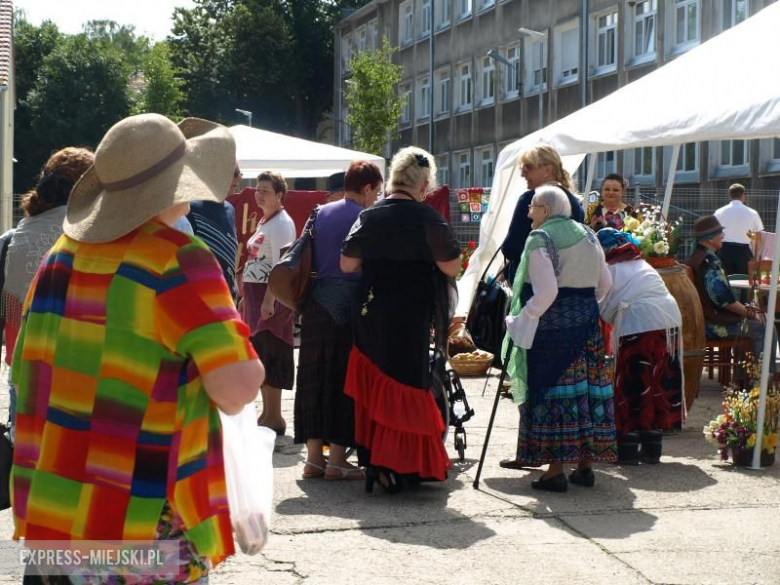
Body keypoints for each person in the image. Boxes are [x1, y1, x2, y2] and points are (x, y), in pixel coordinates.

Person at [11, 113, 264, 583]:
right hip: (140, 521)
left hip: (56, 516)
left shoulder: (60, 258)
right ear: (180, 183)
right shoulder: (177, 261)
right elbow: (236, 388)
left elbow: (25, 372)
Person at [341, 146, 460, 494]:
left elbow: (347, 264)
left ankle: (377, 464)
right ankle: (403, 466)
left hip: (371, 310)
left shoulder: (370, 215)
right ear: (423, 183)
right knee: (407, 384)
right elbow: (451, 266)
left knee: (378, 385)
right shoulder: (428, 219)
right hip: (410, 314)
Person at [503, 185, 616, 492]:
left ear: (546, 211)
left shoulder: (541, 238)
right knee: (588, 392)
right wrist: (584, 306)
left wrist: (524, 317)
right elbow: (605, 283)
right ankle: (584, 465)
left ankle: (555, 471)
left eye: (533, 207)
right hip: (588, 325)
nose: (528, 213)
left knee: (556, 393)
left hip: (553, 329)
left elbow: (547, 292)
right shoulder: (589, 234)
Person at [294, 161, 383, 481]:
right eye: (378, 189)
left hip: (315, 303)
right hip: (349, 307)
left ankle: (314, 459)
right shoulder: (367, 218)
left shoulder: (320, 212)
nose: (378, 196)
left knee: (314, 379)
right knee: (345, 380)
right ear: (368, 188)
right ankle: (338, 462)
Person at [1, 147, 94, 444]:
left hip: (25, 383)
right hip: (89, 386)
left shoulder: (9, 243)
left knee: (27, 477)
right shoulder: (105, 243)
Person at [596, 228, 684, 465]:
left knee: (633, 381)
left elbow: (600, 307)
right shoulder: (641, 264)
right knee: (658, 381)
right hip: (668, 321)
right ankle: (652, 446)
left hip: (639, 322)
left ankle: (627, 447)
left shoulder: (609, 268)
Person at [241, 171, 297, 435]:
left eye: (265, 189)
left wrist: (269, 300)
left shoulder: (282, 224)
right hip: (255, 299)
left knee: (272, 350)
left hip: (270, 298)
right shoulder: (265, 222)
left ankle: (275, 416)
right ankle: (266, 412)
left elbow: (281, 267)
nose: (259, 193)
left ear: (279, 195)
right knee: (261, 353)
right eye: (257, 189)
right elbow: (254, 261)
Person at [684, 215, 774, 372]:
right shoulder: (710, 263)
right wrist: (750, 313)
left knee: (758, 322)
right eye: (720, 233)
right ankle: (761, 380)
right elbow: (725, 301)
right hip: (714, 325)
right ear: (710, 239)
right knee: (764, 326)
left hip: (705, 320)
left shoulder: (695, 258)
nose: (723, 237)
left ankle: (743, 377)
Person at [501, 144, 584, 285]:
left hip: (532, 285)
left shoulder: (530, 201)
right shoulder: (574, 203)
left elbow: (511, 248)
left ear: (547, 169)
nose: (523, 174)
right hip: (566, 283)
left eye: (528, 168)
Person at [188, 164, 241, 300]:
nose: (238, 177)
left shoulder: (230, 209)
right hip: (202, 296)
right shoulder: (191, 208)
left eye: (238, 173)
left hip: (228, 296)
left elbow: (229, 252)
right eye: (233, 173)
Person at [713, 183, 764, 276]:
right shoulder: (753, 213)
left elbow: (713, 234)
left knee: (725, 282)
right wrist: (756, 258)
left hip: (724, 251)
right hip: (743, 252)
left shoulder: (719, 212)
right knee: (744, 282)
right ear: (743, 195)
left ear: (730, 195)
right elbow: (758, 238)